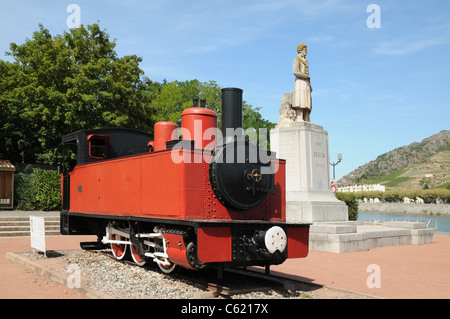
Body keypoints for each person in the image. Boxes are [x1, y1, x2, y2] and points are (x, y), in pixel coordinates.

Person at [292, 43, 312, 122]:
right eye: (305, 50)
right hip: (300, 82)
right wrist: (305, 76)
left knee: (307, 100)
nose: (306, 52)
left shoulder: (306, 61)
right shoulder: (296, 60)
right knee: (300, 99)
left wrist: (310, 84)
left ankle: (306, 117)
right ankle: (299, 117)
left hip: (306, 82)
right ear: (301, 51)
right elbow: (295, 72)